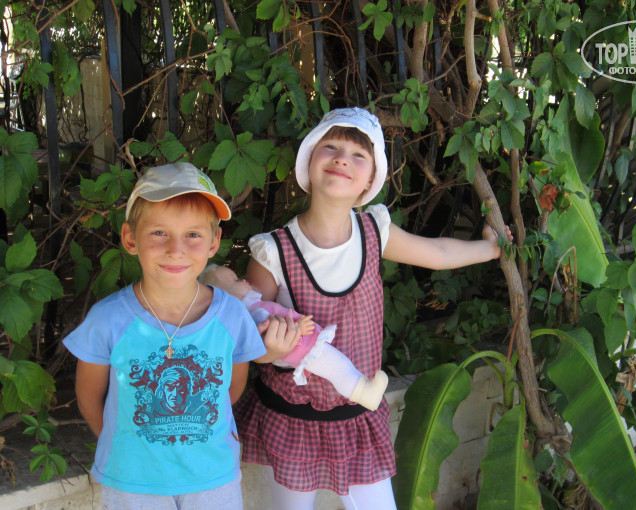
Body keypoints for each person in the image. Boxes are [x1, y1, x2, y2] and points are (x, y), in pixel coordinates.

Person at [234, 107, 509, 510]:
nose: (342, 158)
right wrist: (269, 350)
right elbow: (251, 336)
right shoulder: (271, 252)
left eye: (358, 154)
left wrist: (490, 249)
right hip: (294, 419)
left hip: (358, 416)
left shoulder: (374, 232)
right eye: (331, 146)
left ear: (370, 181)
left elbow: (437, 252)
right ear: (308, 162)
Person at [63, 162, 301, 509]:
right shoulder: (107, 320)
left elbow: (229, 390)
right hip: (134, 481)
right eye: (159, 232)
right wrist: (126, 448)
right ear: (130, 238)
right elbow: (89, 396)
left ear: (214, 242)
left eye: (192, 234)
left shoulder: (231, 316)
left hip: (213, 478)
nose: (176, 249)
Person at [199, 264, 389, 410]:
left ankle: (364, 388)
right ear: (227, 297)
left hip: (302, 344)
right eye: (236, 280)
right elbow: (274, 330)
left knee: (339, 366)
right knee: (338, 369)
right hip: (301, 346)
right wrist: (298, 327)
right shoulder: (254, 314)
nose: (245, 281)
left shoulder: (253, 309)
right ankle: (365, 394)